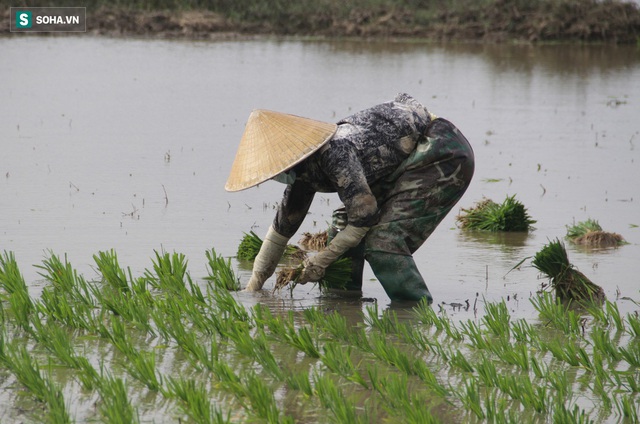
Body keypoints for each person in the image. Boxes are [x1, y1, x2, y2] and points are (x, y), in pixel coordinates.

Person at [225, 93, 474, 303]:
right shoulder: (302, 174)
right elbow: (280, 233)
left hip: (440, 150)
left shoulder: (335, 153)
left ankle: (412, 313)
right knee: (340, 229)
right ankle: (343, 305)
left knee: (383, 241)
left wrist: (320, 261)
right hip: (400, 161)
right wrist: (253, 288)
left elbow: (364, 218)